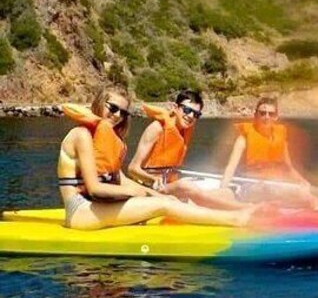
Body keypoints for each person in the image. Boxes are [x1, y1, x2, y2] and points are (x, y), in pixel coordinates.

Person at [57, 86, 252, 230]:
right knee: (164, 205)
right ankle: (236, 220)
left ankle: (234, 212)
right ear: (100, 104)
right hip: (81, 212)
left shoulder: (110, 140)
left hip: (97, 207)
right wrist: (141, 195)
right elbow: (94, 188)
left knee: (166, 201)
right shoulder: (81, 135)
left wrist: (159, 195)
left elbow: (120, 179)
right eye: (113, 108)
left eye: (123, 113)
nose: (117, 116)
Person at [126, 90, 249, 211]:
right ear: (175, 107)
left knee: (226, 192)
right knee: (184, 185)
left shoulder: (184, 131)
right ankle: (243, 209)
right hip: (151, 187)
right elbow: (132, 169)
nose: (190, 116)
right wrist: (154, 180)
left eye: (196, 114)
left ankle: (237, 208)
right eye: (187, 110)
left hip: (170, 185)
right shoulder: (156, 128)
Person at [218, 97, 318, 207]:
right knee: (277, 189)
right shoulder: (243, 139)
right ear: (255, 115)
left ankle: (307, 200)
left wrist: (303, 182)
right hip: (251, 185)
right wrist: (222, 190)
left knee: (299, 188)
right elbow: (230, 167)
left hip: (275, 182)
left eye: (271, 114)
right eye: (262, 113)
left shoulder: (280, 137)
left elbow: (288, 167)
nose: (266, 117)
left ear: (276, 117)